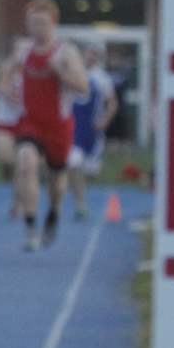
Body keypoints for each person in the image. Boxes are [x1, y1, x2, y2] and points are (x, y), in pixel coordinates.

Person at [0, 0, 88, 252]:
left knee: (56, 180)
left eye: (41, 23)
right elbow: (6, 76)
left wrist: (61, 72)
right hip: (30, 122)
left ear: (53, 24)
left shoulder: (65, 52)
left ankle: (55, 210)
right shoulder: (22, 50)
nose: (36, 28)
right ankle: (30, 227)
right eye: (32, 23)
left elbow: (82, 86)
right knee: (26, 163)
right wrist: (7, 88)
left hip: (58, 125)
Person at [68, 42, 117, 219]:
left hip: (93, 132)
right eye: (88, 53)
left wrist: (105, 120)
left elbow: (112, 103)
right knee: (73, 163)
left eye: (94, 55)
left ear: (98, 58)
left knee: (91, 171)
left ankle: (85, 196)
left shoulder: (103, 78)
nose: (90, 57)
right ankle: (80, 204)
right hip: (74, 130)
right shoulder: (72, 75)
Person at [0, 38, 25, 217]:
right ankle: (9, 174)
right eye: (18, 51)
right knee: (5, 158)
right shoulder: (6, 68)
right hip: (5, 119)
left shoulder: (31, 69)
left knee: (21, 163)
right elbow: (0, 87)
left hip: (22, 121)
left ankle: (17, 202)